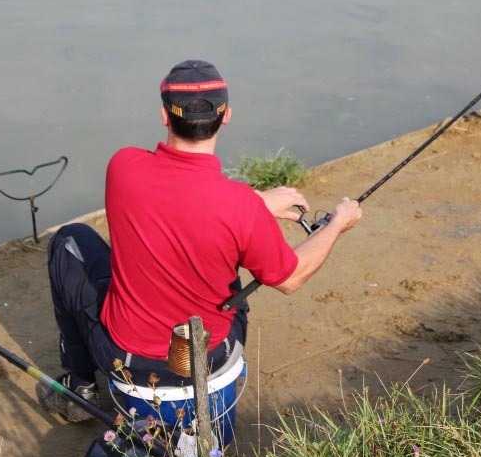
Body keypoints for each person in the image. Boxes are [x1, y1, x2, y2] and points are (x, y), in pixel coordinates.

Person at [38, 59, 362, 422]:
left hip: (125, 358)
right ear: (226, 116)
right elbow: (290, 278)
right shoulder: (239, 204)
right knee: (234, 266)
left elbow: (181, 198)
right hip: (211, 360)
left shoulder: (123, 166)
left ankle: (79, 385)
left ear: (165, 115)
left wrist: (256, 203)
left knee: (69, 239)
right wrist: (336, 224)